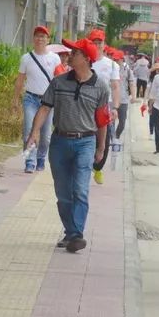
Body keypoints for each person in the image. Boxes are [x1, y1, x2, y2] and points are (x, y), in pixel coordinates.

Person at [25, 38, 111, 253]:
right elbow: (44, 109)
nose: (69, 55)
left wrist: (101, 148)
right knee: (63, 193)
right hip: (60, 142)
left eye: (74, 52)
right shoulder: (59, 82)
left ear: (86, 58)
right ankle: (71, 232)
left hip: (86, 142)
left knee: (80, 189)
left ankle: (76, 234)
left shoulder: (101, 86)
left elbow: (102, 121)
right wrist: (34, 133)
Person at [14, 25, 60, 173]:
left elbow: (59, 80)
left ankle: (41, 158)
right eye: (37, 36)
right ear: (33, 39)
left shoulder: (54, 58)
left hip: (47, 102)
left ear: (48, 40)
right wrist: (15, 99)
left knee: (46, 135)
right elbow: (20, 80)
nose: (40, 39)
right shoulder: (26, 58)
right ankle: (29, 161)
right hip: (30, 100)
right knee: (29, 130)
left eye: (43, 36)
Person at [87, 29, 120, 185]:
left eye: (99, 42)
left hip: (104, 107)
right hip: (85, 106)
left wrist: (115, 107)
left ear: (104, 44)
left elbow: (115, 87)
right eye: (94, 42)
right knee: (86, 136)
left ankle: (98, 167)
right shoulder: (85, 61)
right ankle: (85, 167)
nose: (97, 45)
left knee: (104, 140)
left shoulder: (111, 65)